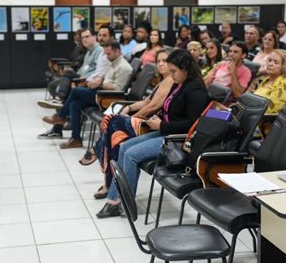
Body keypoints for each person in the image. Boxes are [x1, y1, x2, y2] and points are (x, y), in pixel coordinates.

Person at [96, 49, 210, 218]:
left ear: (185, 69)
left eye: (174, 71)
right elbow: (170, 110)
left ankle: (121, 201)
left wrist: (162, 124)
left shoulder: (196, 90)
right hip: (165, 131)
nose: (171, 75)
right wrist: (161, 117)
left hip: (176, 139)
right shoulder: (180, 84)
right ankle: (116, 198)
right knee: (124, 147)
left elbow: (191, 125)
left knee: (131, 154)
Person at [90, 49, 174, 199]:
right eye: (158, 61)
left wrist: (131, 118)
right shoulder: (163, 81)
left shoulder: (171, 81)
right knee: (113, 138)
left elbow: (153, 107)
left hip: (149, 124)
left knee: (111, 122)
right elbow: (146, 101)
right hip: (146, 121)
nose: (161, 64)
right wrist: (128, 108)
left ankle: (97, 153)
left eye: (165, 61)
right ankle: (107, 177)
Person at [42, 40, 133, 149]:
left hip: (109, 98)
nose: (107, 56)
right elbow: (103, 76)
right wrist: (98, 79)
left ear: (117, 51)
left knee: (76, 91)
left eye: (109, 54)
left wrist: (99, 83)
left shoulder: (124, 67)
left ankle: (61, 116)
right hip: (101, 93)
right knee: (74, 104)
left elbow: (118, 88)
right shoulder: (112, 62)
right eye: (105, 54)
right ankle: (76, 139)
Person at [37, 27, 111, 139]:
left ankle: (59, 109)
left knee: (71, 88)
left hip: (94, 86)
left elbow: (98, 74)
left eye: (87, 37)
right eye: (83, 38)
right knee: (71, 93)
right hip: (85, 80)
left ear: (93, 37)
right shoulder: (89, 52)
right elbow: (85, 69)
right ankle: (66, 130)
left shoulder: (101, 52)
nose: (84, 40)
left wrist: (80, 81)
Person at [253, 49, 286, 114]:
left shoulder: (284, 85)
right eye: (269, 60)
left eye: (276, 62)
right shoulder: (266, 80)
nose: (270, 64)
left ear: (284, 67)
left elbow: (271, 112)